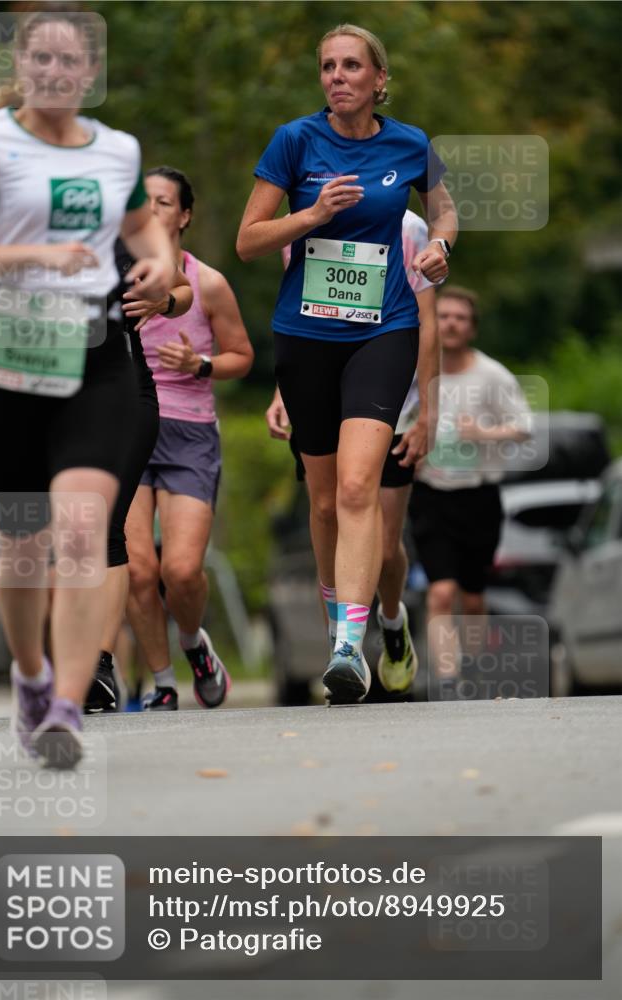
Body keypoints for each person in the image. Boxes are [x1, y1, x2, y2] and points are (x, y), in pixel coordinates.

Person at [0, 11, 176, 765]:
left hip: (93, 354)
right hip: (4, 355)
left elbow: (146, 230)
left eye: (68, 60)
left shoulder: (119, 151)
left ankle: (68, 708)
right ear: (22, 68)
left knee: (84, 527)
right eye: (39, 58)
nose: (54, 72)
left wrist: (160, 264)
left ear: (88, 73)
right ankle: (29, 675)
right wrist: (39, 258)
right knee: (23, 542)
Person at [238, 23, 456, 704]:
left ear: (378, 79)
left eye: (350, 66)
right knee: (325, 500)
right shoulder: (293, 141)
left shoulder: (411, 143)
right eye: (327, 66)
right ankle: (365, 626)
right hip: (304, 336)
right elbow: (247, 241)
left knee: (362, 488)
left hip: (381, 330)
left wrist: (441, 248)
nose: (336, 76)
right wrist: (311, 214)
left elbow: (444, 213)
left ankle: (346, 646)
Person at [266, 209, 439, 694]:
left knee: (384, 546)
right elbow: (296, 318)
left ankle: (391, 619)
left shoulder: (407, 227)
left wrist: (428, 410)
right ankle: (342, 638)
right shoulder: (299, 223)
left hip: (391, 400)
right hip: (322, 395)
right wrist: (283, 393)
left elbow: (427, 323)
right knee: (325, 506)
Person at [123, 166, 254, 712]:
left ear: (184, 214)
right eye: (144, 201)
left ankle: (194, 644)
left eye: (163, 201)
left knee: (181, 570)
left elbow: (242, 357)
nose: (153, 210)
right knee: (136, 569)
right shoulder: (118, 275)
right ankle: (162, 684)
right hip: (126, 427)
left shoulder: (208, 282)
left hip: (189, 432)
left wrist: (198, 363)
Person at [83, 239, 193, 714]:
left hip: (125, 399)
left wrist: (164, 301)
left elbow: (182, 287)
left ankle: (98, 667)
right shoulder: (23, 236)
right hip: (49, 399)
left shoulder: (126, 235)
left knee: (103, 524)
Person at [408, 287, 532, 678]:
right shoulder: (416, 372)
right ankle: (448, 677)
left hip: (479, 495)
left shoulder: (491, 375)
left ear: (472, 328)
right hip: (430, 493)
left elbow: (524, 427)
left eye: (459, 318)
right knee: (441, 591)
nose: (450, 323)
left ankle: (476, 668)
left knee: (473, 597)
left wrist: (483, 433)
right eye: (442, 316)